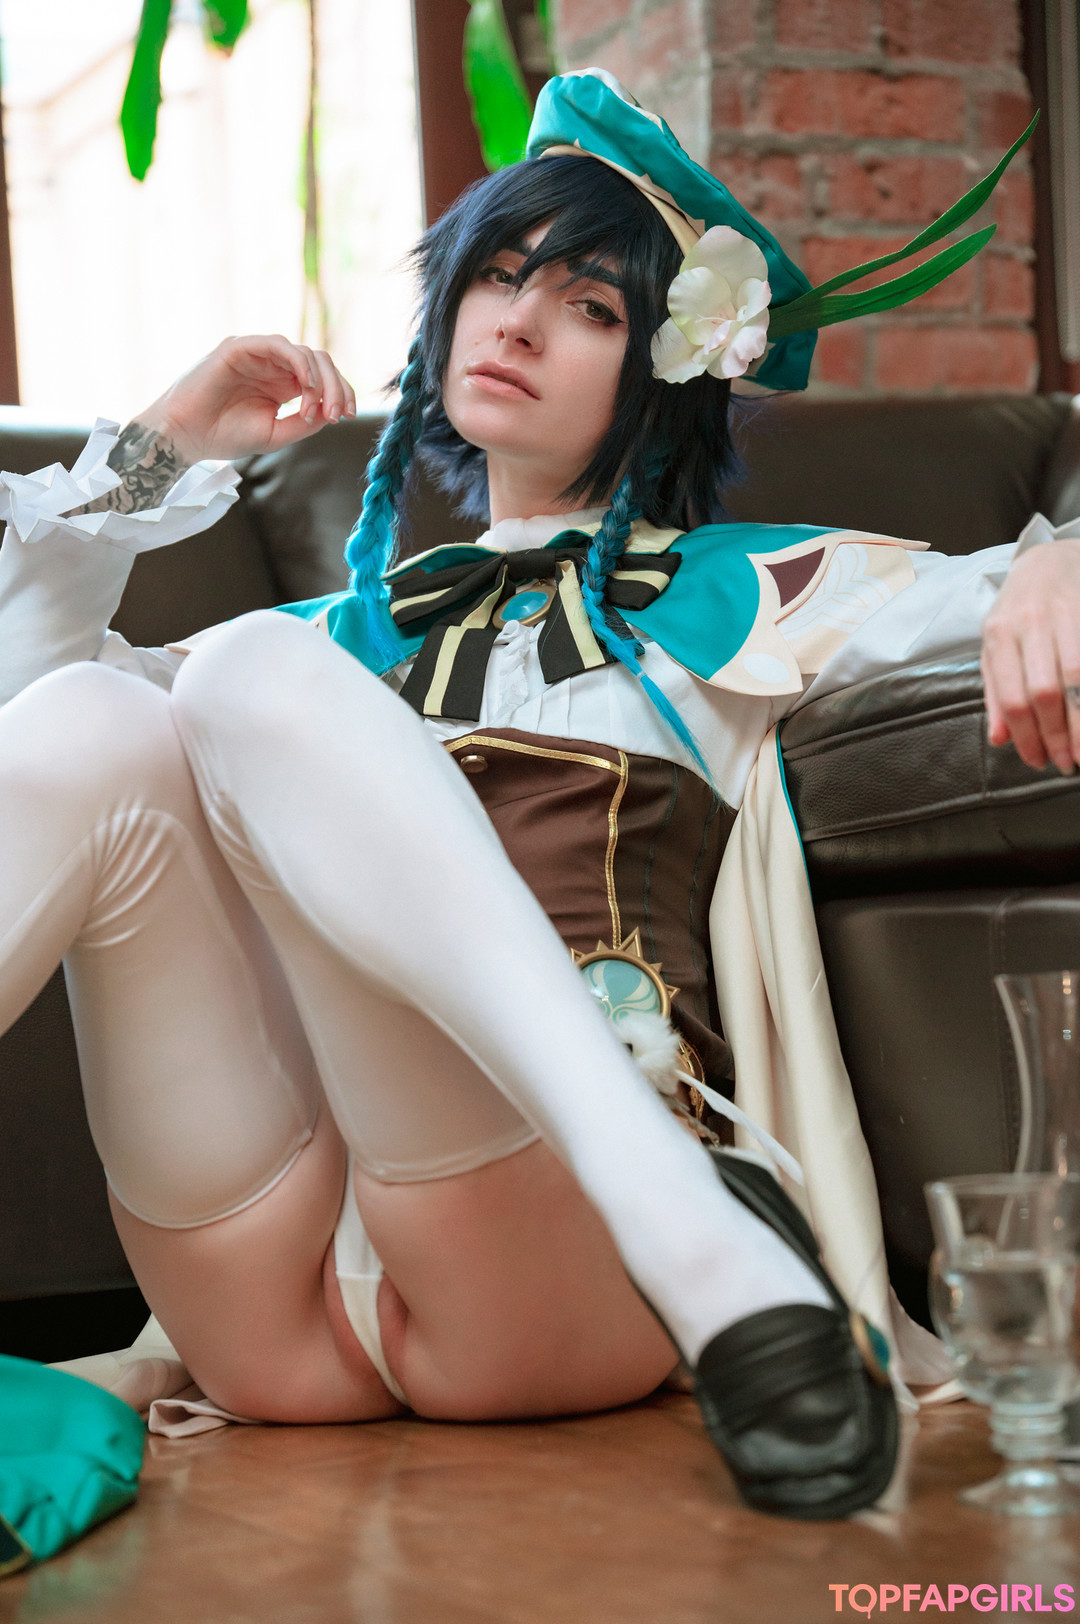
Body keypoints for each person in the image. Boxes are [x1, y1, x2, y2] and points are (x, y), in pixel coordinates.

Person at [0, 70, 1075, 1525]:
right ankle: (701, 1236)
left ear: (666, 370)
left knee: (248, 671)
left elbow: (1018, 585)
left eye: (591, 307)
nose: (513, 322)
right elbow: (23, 709)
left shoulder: (752, 594)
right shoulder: (332, 644)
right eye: (497, 278)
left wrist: (1057, 563)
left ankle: (674, 1215)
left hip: (540, 1270)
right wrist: (167, 442)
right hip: (272, 1299)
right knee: (100, 715)